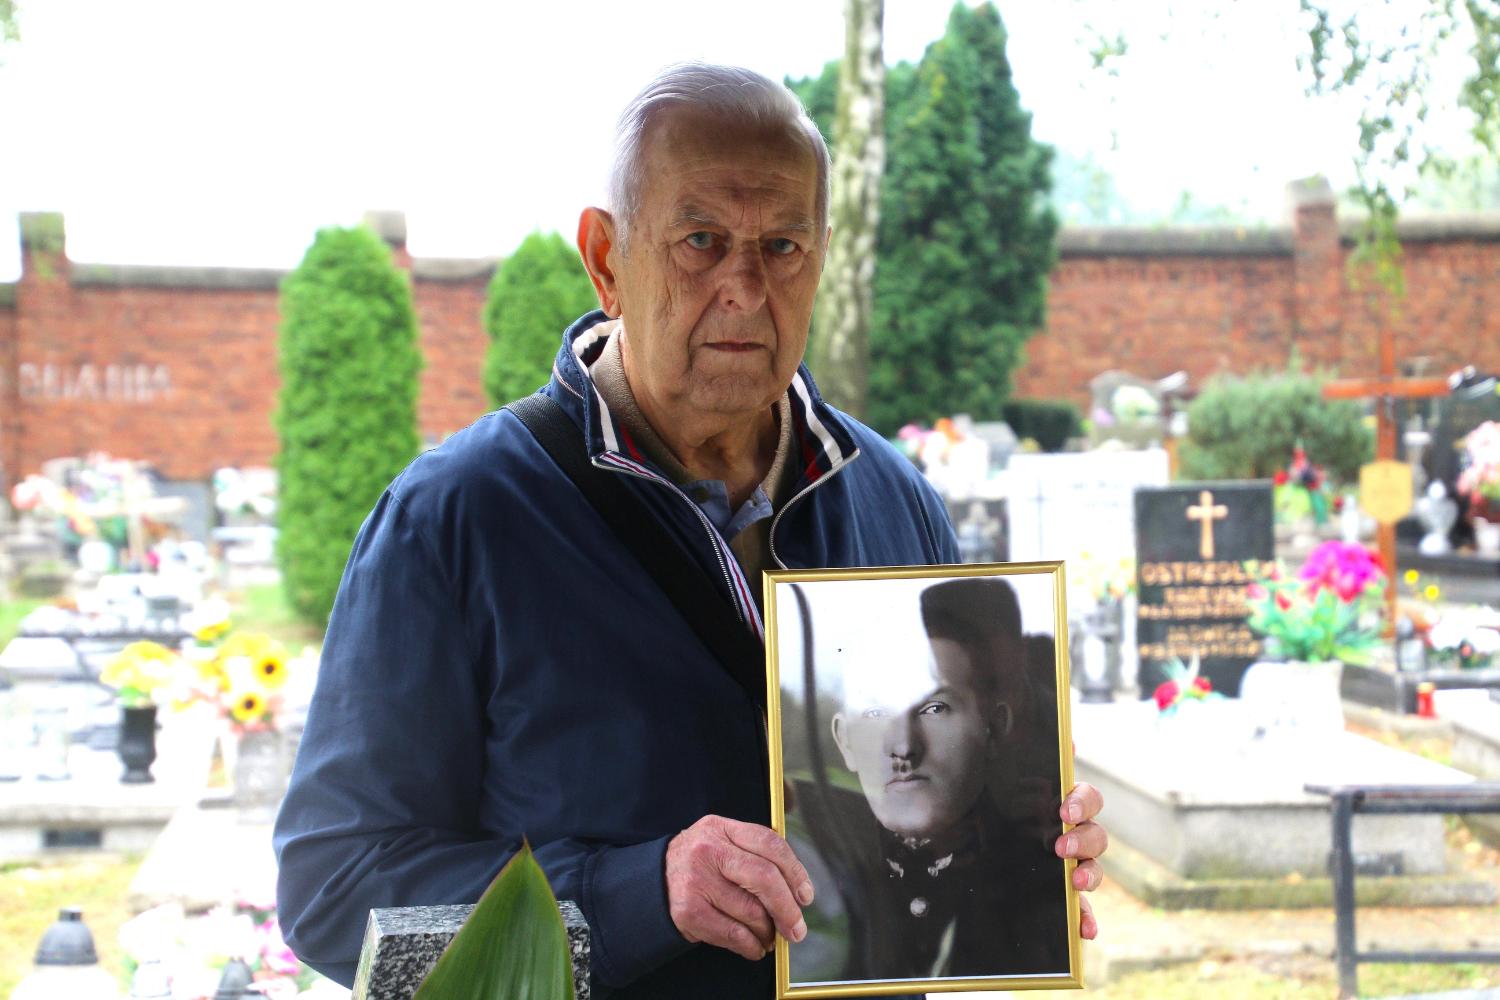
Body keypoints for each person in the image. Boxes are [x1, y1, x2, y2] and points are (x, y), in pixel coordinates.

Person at [273, 63, 1107, 1000]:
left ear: (822, 256)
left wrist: (1025, 854)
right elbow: (336, 894)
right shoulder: (456, 519)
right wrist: (639, 893)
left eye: (783, 245)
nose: (746, 289)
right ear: (605, 260)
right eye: (701, 241)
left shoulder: (893, 497)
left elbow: (929, 825)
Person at [792, 576, 1068, 983]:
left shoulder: (1031, 873)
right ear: (843, 741)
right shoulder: (807, 857)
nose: (903, 748)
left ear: (994, 727)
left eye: (936, 709)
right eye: (875, 712)